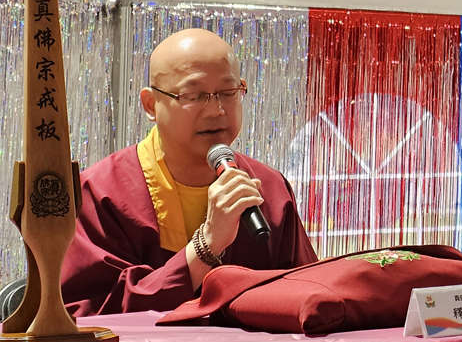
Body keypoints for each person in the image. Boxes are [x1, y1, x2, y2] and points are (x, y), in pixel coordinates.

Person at [62, 28, 317, 316]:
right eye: (194, 95)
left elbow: (309, 294)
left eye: (228, 93)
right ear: (150, 105)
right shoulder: (100, 192)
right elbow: (88, 314)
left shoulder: (269, 188)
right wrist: (206, 247)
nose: (216, 110)